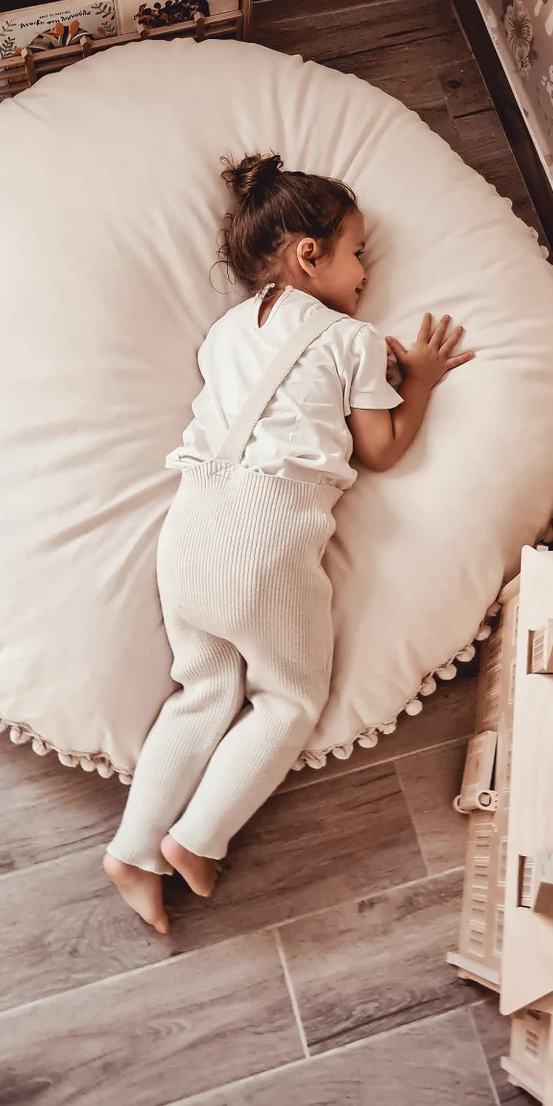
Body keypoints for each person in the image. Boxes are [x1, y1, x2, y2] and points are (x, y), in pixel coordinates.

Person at [104, 151, 473, 932]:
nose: (366, 272)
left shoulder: (222, 333)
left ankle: (131, 852)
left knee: (202, 692)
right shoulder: (353, 339)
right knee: (288, 699)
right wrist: (421, 380)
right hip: (267, 537)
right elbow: (380, 450)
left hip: (192, 527)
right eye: (358, 253)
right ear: (311, 254)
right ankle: (196, 840)